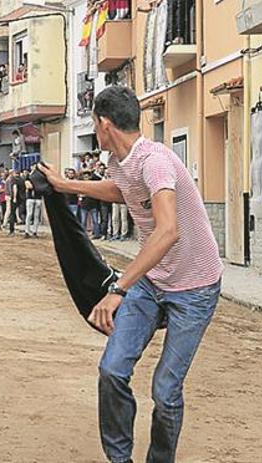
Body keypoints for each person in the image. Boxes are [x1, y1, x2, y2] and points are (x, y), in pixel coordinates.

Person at [39, 85, 223, 463]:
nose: (94, 129)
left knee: (166, 389)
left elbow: (168, 230)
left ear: (104, 125)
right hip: (154, 282)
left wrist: (119, 288)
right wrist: (65, 185)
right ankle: (120, 460)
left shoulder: (154, 160)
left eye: (93, 122)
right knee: (111, 370)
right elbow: (122, 191)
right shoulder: (119, 164)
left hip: (195, 287)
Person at [24, 167, 42, 238]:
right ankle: (27, 231)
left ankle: (35, 231)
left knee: (36, 215)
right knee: (29, 214)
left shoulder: (38, 178)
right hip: (30, 198)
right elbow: (29, 186)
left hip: (38, 198)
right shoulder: (28, 177)